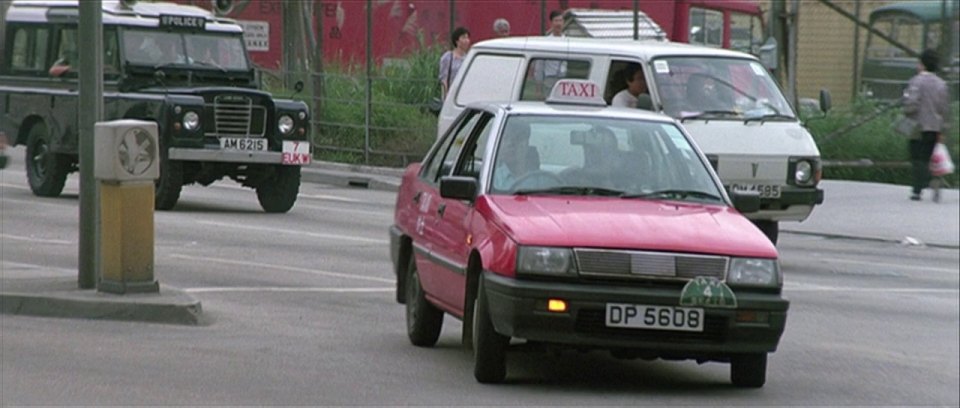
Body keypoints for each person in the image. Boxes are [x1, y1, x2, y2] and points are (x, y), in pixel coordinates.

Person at [902, 49, 950, 202]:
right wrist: (943, 127)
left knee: (917, 157)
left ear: (922, 64)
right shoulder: (941, 84)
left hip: (918, 125)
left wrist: (906, 110)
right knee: (928, 156)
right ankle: (934, 179)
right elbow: (944, 108)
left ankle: (919, 188)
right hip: (934, 126)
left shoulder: (916, 81)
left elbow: (911, 103)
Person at [492, 123, 536, 191]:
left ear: (526, 145)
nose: (510, 144)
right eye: (506, 138)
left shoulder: (541, 180)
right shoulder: (494, 179)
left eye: (517, 138)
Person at [439, 27, 471, 99]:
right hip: (451, 96)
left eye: (467, 38)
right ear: (457, 41)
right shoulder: (448, 57)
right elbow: (444, 79)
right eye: (463, 38)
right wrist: (446, 97)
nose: (467, 40)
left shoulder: (469, 58)